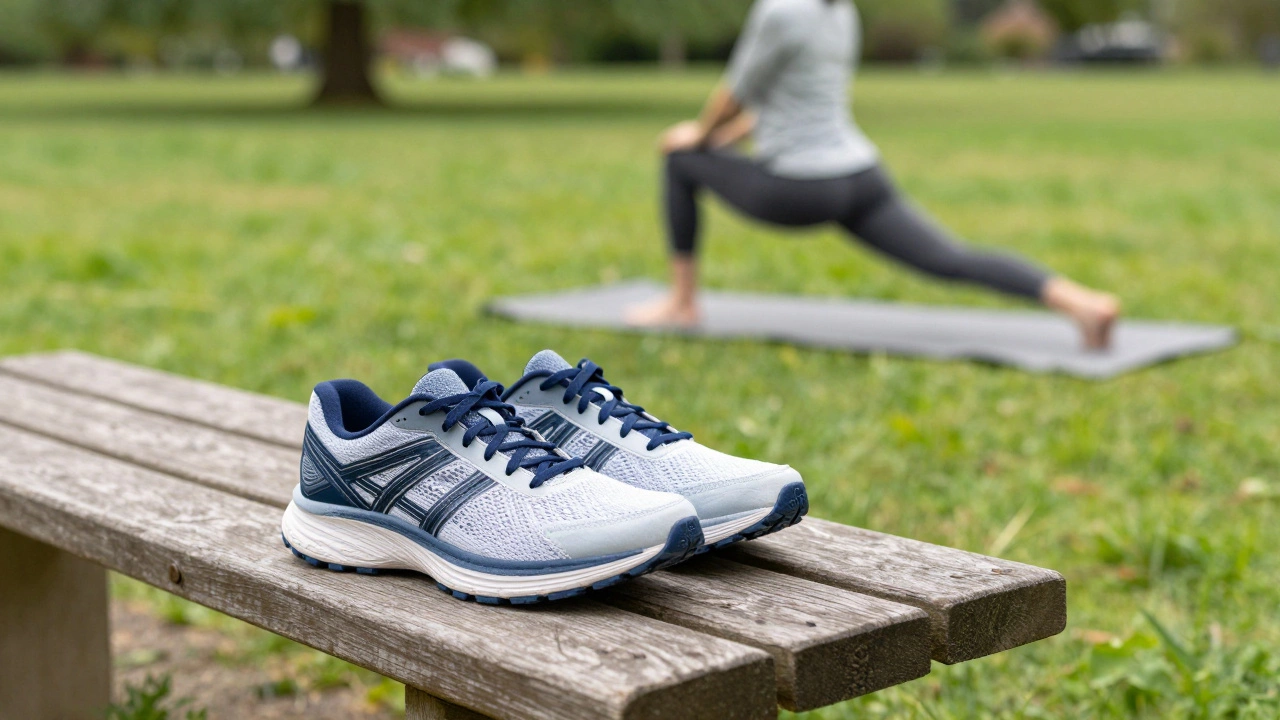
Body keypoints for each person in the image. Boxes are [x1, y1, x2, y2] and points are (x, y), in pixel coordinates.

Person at [626, 0, 1121, 349]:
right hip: (861, 176)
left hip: (800, 189)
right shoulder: (840, 10)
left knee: (679, 160)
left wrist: (700, 136)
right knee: (951, 258)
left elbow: (735, 94)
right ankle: (1083, 304)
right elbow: (779, 102)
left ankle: (682, 303)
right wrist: (724, 139)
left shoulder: (780, 9)